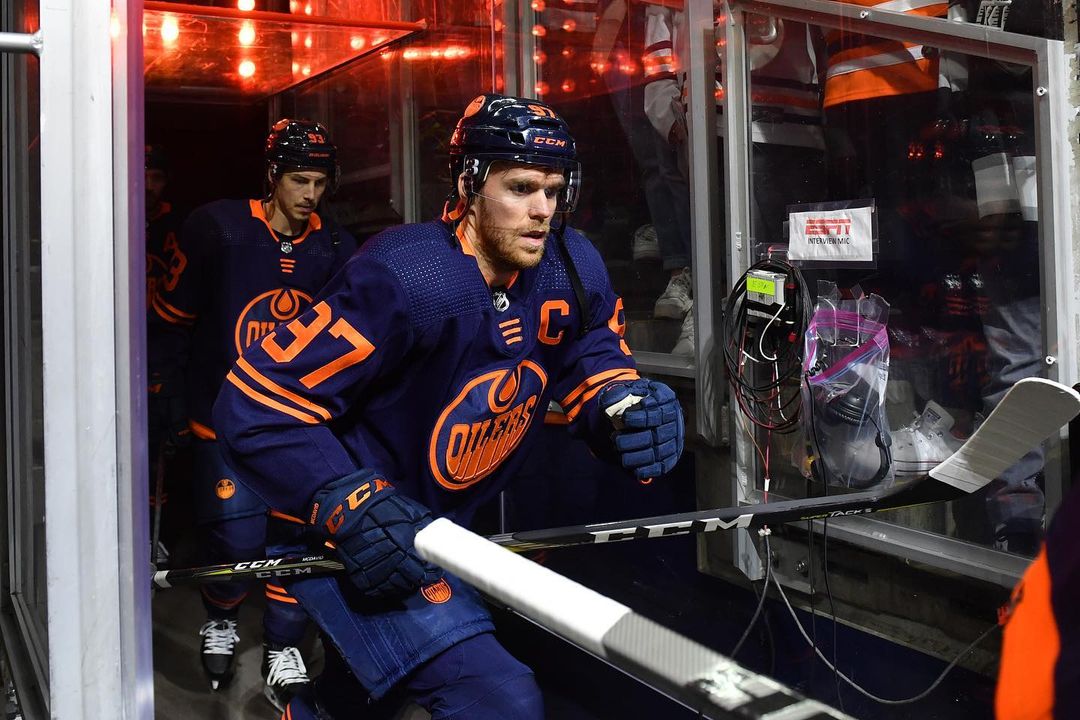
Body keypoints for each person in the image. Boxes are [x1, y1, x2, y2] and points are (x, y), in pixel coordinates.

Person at [212, 94, 685, 719]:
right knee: (497, 700)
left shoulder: (571, 262)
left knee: (365, 700)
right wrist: (346, 501)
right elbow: (257, 402)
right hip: (362, 537)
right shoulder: (407, 275)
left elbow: (589, 349)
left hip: (449, 529)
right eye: (521, 188)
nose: (543, 210)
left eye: (553, 190)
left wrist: (621, 407)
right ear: (469, 184)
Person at [149, 119, 358, 709]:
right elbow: (171, 319)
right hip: (224, 417)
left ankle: (283, 645)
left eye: (319, 182)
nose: (310, 194)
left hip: (297, 424)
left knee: (298, 541)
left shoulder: (336, 245)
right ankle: (221, 617)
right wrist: (165, 388)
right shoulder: (217, 228)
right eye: (299, 180)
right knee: (233, 536)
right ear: (272, 175)